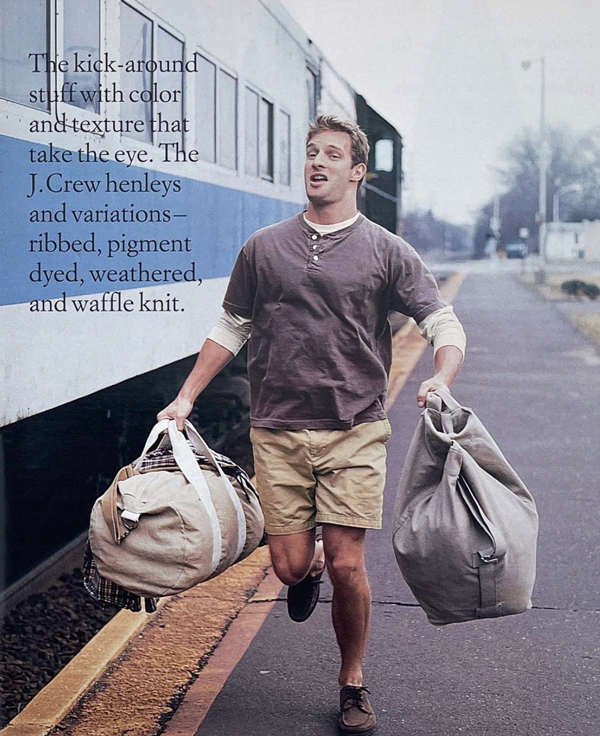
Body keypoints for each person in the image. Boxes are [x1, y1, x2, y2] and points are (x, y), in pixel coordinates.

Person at [158, 115, 466, 735]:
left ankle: (353, 682)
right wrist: (186, 396)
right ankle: (309, 567)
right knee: (291, 567)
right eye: (310, 153)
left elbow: (443, 324)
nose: (317, 163)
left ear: (356, 172)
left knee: (350, 563)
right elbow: (230, 328)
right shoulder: (264, 247)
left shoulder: (385, 250)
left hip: (355, 429)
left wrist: (441, 377)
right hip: (276, 430)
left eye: (331, 155)